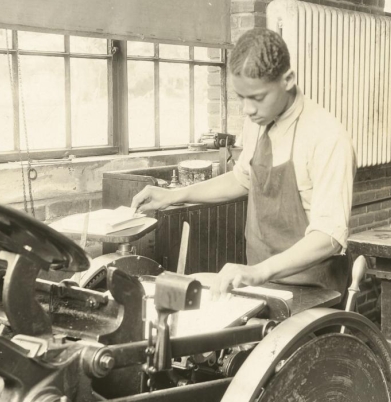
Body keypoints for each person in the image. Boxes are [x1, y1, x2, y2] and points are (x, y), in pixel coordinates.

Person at [131, 28, 356, 301]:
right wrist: (174, 196)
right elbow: (242, 178)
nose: (247, 110)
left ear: (288, 80)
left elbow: (328, 236)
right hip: (263, 284)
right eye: (241, 97)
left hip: (314, 293)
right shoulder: (258, 120)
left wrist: (260, 272)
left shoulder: (328, 137)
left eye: (257, 97)